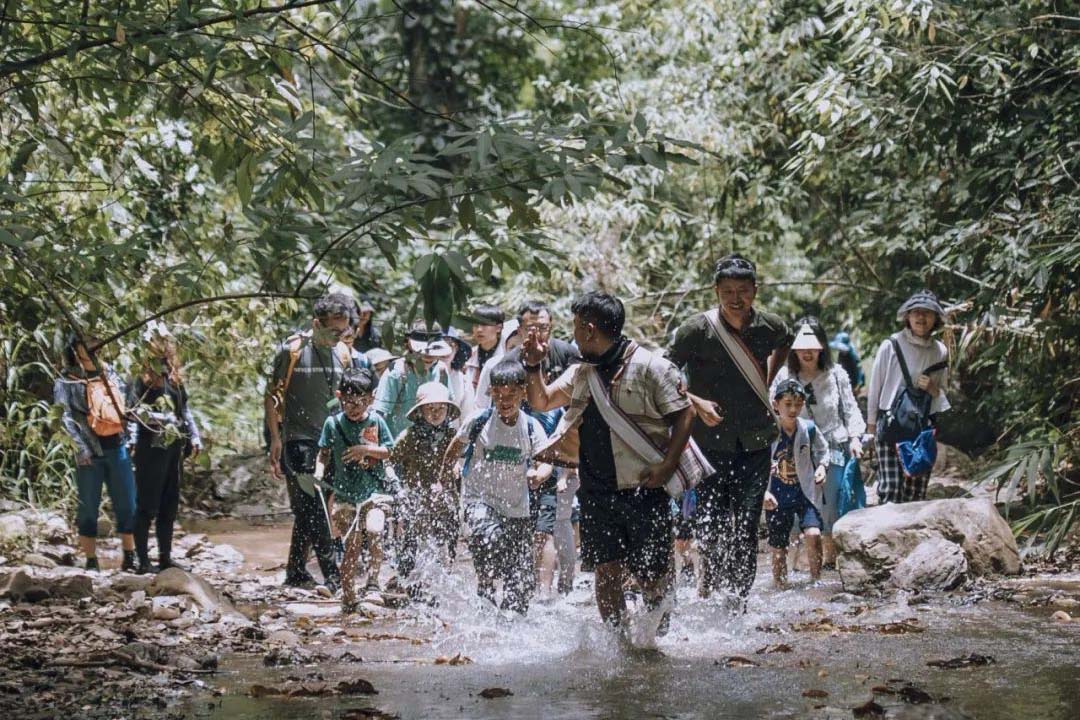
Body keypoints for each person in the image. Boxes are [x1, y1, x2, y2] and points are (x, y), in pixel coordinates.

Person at [523, 292, 695, 628]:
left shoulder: (651, 366)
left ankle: (655, 635)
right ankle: (619, 644)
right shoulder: (581, 373)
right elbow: (541, 401)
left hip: (644, 487)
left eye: (574, 327)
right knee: (607, 570)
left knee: (652, 574)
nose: (571, 335)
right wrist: (533, 365)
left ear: (589, 329)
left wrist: (668, 466)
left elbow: (684, 414)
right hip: (597, 490)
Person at [668, 254, 793, 607]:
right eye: (727, 292)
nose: (736, 299)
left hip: (755, 440)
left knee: (748, 522)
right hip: (710, 443)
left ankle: (738, 598)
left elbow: (785, 341)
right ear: (716, 292)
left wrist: (766, 380)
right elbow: (665, 372)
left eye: (743, 291)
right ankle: (715, 585)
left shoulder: (770, 326)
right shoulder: (697, 329)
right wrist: (694, 402)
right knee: (711, 521)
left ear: (755, 290)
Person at [266, 292, 358, 590]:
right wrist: (275, 439)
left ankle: (295, 571)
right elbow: (270, 396)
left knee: (309, 507)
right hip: (297, 440)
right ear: (316, 323)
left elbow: (338, 399)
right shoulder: (292, 351)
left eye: (343, 331)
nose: (339, 336)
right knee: (316, 505)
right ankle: (332, 575)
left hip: (329, 441)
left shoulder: (343, 354)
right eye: (333, 330)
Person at [447, 360, 551, 613]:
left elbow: (546, 462)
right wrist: (445, 473)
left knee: (521, 583)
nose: (504, 400)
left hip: (517, 507)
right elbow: (455, 447)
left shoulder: (531, 426)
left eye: (511, 394)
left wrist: (539, 475)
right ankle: (485, 586)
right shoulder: (478, 420)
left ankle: (507, 621)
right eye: (499, 394)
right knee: (489, 538)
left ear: (523, 393)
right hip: (479, 499)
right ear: (491, 392)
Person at [770, 318, 866, 567]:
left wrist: (856, 438)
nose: (808, 352)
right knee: (792, 510)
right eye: (802, 346)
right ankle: (796, 566)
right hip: (795, 451)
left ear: (822, 346)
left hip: (833, 448)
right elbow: (771, 412)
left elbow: (851, 409)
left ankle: (829, 568)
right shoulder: (785, 375)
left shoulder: (836, 375)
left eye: (813, 345)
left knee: (831, 507)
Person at [54, 335, 138, 572]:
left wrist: (132, 438)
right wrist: (80, 448)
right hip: (89, 452)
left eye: (95, 343)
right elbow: (65, 417)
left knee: (128, 505)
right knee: (88, 508)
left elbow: (129, 407)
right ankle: (91, 561)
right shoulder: (67, 380)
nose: (93, 347)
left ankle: (130, 556)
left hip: (118, 447)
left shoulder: (111, 373)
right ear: (75, 349)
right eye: (86, 344)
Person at [317, 368, 394, 611]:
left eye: (361, 401)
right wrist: (319, 470)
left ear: (371, 398)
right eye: (349, 402)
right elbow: (324, 454)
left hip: (374, 492)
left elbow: (390, 451)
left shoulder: (377, 421)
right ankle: (348, 593)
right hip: (345, 496)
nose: (355, 407)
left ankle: (373, 583)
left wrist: (365, 450)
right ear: (339, 397)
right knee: (351, 545)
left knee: (374, 529)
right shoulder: (332, 424)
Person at [127, 325, 203, 574]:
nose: (162, 345)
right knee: (147, 505)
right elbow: (132, 411)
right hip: (151, 447)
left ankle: (165, 558)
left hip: (174, 448)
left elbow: (185, 410)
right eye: (157, 340)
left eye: (165, 340)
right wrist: (163, 420)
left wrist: (194, 436)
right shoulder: (140, 378)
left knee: (169, 504)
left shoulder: (174, 377)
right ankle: (141, 560)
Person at [866, 290, 951, 504]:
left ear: (936, 319)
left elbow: (942, 395)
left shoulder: (940, 351)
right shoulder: (891, 345)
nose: (921, 318)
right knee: (891, 490)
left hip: (922, 428)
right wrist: (871, 426)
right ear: (907, 316)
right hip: (890, 425)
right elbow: (875, 387)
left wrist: (932, 388)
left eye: (927, 313)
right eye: (916, 313)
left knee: (916, 494)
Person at [391, 382, 461, 588]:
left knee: (446, 541)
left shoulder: (452, 436)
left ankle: (441, 582)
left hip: (445, 498)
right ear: (420, 411)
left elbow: (460, 457)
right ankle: (405, 582)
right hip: (417, 498)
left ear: (448, 410)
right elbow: (391, 461)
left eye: (441, 408)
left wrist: (455, 465)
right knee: (412, 541)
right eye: (430, 408)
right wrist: (398, 490)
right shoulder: (409, 437)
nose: (436, 413)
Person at [763, 379, 829, 587]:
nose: (793, 409)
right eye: (788, 403)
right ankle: (780, 586)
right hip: (776, 494)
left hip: (804, 492)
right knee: (778, 547)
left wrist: (822, 467)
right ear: (776, 405)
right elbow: (754, 463)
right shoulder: (768, 432)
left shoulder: (808, 429)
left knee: (813, 533)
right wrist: (763, 492)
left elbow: (823, 450)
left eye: (798, 404)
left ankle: (816, 580)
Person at [475, 301, 580, 408]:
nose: (537, 334)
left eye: (543, 327)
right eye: (530, 329)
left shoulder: (568, 353)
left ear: (551, 326)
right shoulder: (509, 361)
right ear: (520, 330)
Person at [372, 323, 454, 440]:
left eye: (433, 351)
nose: (428, 356)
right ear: (409, 346)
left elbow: (448, 410)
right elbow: (378, 414)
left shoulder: (441, 371)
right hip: (397, 443)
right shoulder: (397, 372)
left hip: (430, 443)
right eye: (423, 351)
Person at [465, 305, 506, 391]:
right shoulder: (467, 356)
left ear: (499, 328)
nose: (479, 329)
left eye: (484, 324)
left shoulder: (507, 355)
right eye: (476, 324)